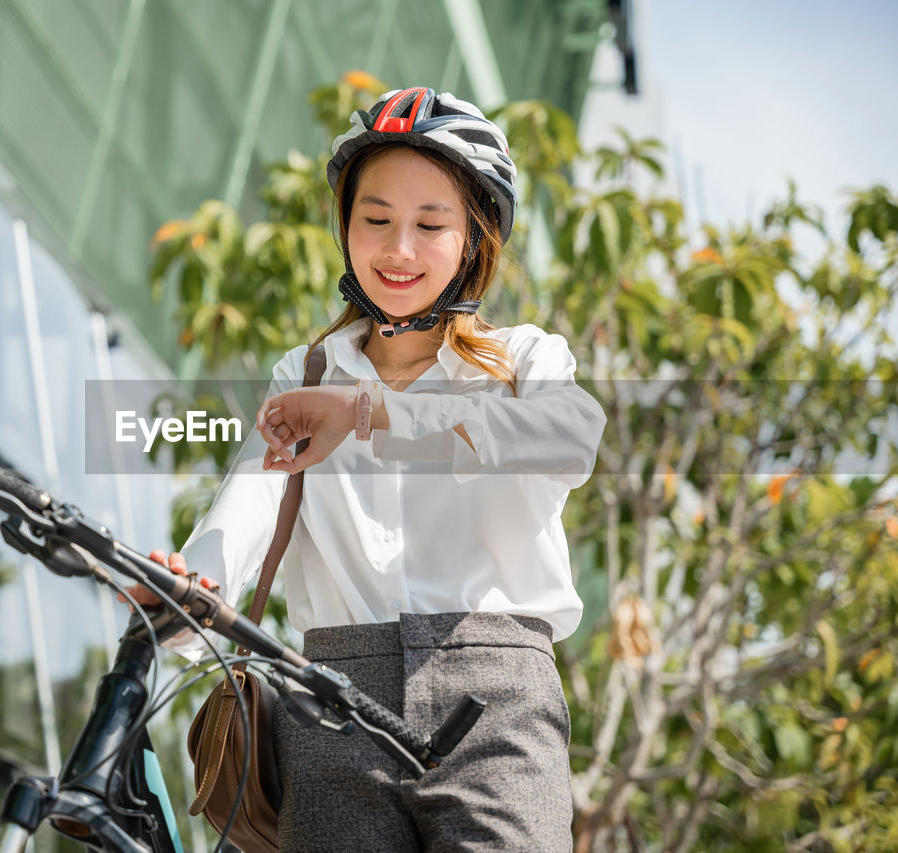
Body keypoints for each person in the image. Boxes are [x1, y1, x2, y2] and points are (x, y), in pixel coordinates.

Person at [134, 87, 606, 851]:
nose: (398, 250)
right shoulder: (309, 370)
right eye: (375, 219)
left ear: (474, 238)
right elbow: (245, 509)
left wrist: (371, 414)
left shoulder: (525, 359)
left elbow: (571, 436)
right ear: (346, 225)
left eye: (430, 224)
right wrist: (182, 592)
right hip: (333, 703)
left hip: (500, 703)